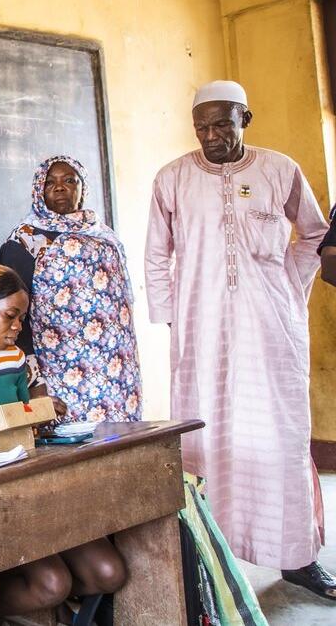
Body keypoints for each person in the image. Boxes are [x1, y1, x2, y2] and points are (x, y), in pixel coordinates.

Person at [145, 80, 333, 598]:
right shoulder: (173, 178)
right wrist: (171, 313)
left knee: (280, 430)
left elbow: (314, 234)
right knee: (209, 433)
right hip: (201, 326)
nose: (210, 135)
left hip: (271, 323)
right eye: (201, 126)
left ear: (244, 118)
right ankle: (210, 552)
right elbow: (157, 253)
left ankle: (297, 556)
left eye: (222, 123)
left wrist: (288, 285)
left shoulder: (280, 169)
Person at [0, 264, 127, 624]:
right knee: (52, 583)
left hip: (30, 487)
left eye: (22, 318)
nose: (18, 327)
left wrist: (37, 416)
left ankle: (47, 606)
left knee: (109, 572)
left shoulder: (14, 358)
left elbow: (26, 433)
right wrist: (11, 419)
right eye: (10, 316)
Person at [0, 155, 142, 423]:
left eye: (69, 180)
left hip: (115, 368)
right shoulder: (25, 240)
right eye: (50, 182)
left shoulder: (104, 235)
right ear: (39, 190)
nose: (59, 187)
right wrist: (33, 379)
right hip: (61, 369)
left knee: (121, 445)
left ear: (82, 188)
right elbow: (16, 319)